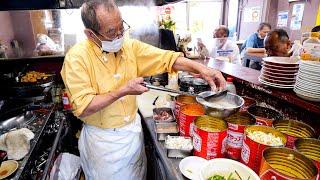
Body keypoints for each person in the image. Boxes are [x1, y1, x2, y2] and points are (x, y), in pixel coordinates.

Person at [60, 1, 226, 179]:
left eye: (121, 26)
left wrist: (202, 69)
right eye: (110, 31)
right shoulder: (76, 58)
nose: (119, 35)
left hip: (132, 136)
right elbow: (83, 106)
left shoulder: (129, 46)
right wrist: (123, 90)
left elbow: (167, 59)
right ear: (90, 34)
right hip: (103, 145)